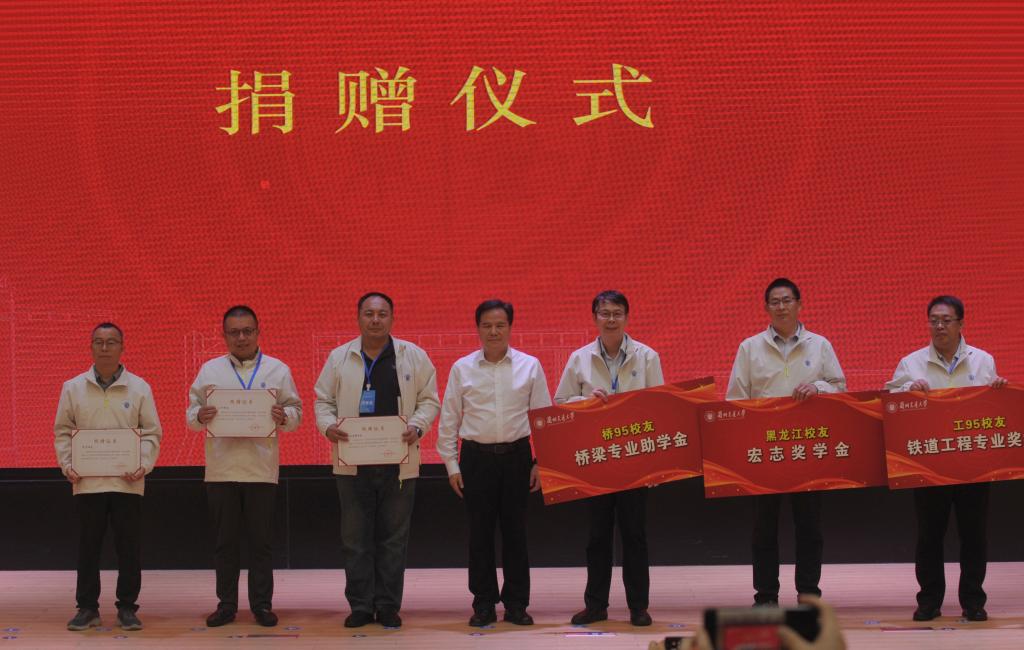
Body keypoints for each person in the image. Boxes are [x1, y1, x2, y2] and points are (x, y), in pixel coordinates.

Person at [314, 292, 440, 629]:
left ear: (392, 318)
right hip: (352, 464)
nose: (375, 320)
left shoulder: (413, 356)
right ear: (358, 317)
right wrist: (328, 426)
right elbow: (322, 401)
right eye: (368, 314)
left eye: (382, 314)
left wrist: (418, 425)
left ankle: (387, 606)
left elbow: (430, 400)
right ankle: (360, 606)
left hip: (399, 464)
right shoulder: (339, 357)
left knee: (393, 541)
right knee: (355, 540)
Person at [885, 295, 1007, 622]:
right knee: (929, 536)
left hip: (973, 465)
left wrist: (999, 392)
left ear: (961, 324)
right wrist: (907, 389)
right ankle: (929, 601)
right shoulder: (911, 363)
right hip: (929, 464)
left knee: (974, 536)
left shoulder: (983, 361)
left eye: (946, 320)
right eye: (934, 320)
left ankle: (973, 601)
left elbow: (991, 409)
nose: (939, 326)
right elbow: (889, 401)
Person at [726, 278, 846, 606]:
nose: (781, 307)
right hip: (765, 451)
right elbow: (736, 398)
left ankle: (809, 595)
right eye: (775, 302)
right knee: (763, 528)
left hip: (807, 449)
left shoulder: (819, 345)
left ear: (799, 304)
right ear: (766, 308)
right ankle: (765, 596)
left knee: (809, 526)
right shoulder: (750, 347)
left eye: (787, 300)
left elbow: (840, 387)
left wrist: (818, 387)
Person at [186, 305, 303, 628]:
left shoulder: (278, 370)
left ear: (258, 332)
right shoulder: (209, 370)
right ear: (224, 336)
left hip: (261, 469)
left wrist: (284, 416)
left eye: (247, 331)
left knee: (261, 543)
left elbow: (296, 413)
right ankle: (226, 606)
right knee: (225, 543)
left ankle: (261, 606)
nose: (241, 337)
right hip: (221, 469)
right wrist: (200, 415)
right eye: (234, 332)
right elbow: (191, 414)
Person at [437, 299, 551, 627]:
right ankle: (483, 603)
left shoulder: (530, 366)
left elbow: (543, 418)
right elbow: (449, 420)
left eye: (500, 325)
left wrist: (540, 463)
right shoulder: (462, 368)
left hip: (517, 458)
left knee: (516, 534)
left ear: (510, 328)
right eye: (487, 325)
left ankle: (516, 604)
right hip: (476, 460)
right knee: (480, 535)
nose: (494, 331)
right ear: (477, 329)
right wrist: (452, 466)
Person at [554, 290, 663, 627]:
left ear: (627, 318)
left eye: (617, 313)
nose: (611, 319)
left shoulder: (647, 357)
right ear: (595, 318)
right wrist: (586, 401)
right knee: (597, 537)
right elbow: (561, 402)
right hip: (596, 460)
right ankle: (596, 605)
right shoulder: (579, 358)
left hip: (634, 459)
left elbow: (661, 407)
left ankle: (638, 607)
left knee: (635, 536)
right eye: (605, 313)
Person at [54, 323, 162, 632]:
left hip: (128, 481)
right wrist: (68, 464)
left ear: (122, 348)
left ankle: (127, 608)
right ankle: (87, 608)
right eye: (99, 342)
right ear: (90, 347)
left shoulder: (139, 388)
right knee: (88, 547)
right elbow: (62, 431)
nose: (105, 348)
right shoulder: (72, 387)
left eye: (111, 342)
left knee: (129, 548)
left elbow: (151, 433)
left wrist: (143, 464)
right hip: (87, 481)